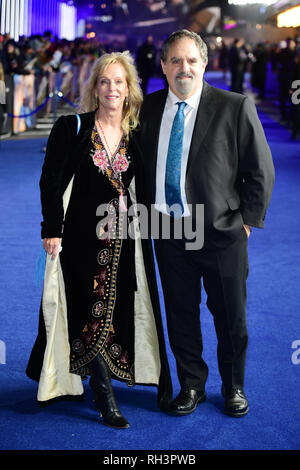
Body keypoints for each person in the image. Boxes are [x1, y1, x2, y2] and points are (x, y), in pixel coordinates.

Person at [26, 51, 172, 429]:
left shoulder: (136, 131)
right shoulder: (71, 127)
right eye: (104, 82)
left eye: (119, 82)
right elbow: (51, 181)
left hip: (123, 240)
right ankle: (103, 393)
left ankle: (106, 378)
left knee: (117, 309)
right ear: (95, 87)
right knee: (85, 308)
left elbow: (147, 185)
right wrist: (51, 228)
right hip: (78, 239)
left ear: (129, 89)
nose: (111, 89)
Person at [136, 30, 275, 418]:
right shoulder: (146, 109)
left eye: (192, 60)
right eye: (176, 61)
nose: (184, 68)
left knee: (231, 316)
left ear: (205, 64)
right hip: (167, 231)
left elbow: (260, 170)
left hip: (221, 232)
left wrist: (245, 224)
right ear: (163, 66)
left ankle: (233, 387)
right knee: (180, 313)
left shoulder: (234, 106)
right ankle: (191, 385)